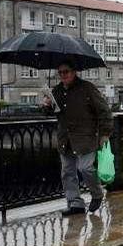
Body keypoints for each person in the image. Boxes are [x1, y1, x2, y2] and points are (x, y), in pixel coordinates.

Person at [43, 61, 113, 216]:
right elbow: (53, 113)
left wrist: (105, 134)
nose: (63, 75)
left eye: (66, 71)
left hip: (85, 137)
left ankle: (97, 194)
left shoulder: (87, 88)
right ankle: (75, 203)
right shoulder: (57, 91)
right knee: (67, 172)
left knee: (85, 168)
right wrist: (47, 105)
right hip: (65, 138)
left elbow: (104, 111)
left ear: (74, 72)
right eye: (60, 72)